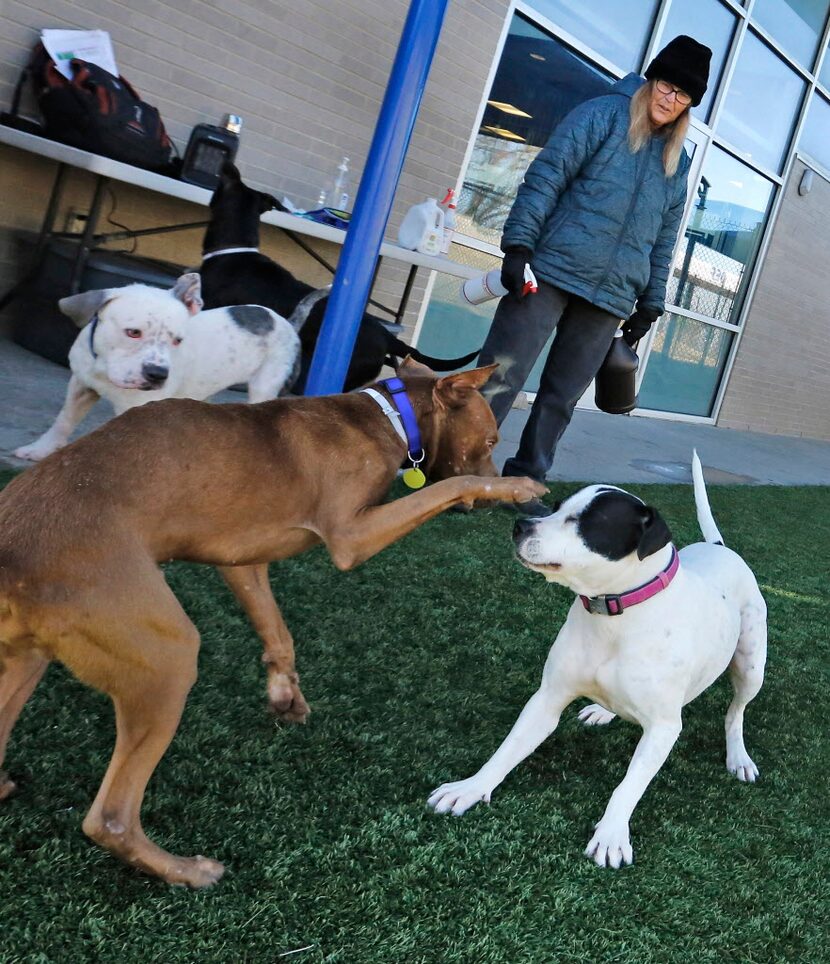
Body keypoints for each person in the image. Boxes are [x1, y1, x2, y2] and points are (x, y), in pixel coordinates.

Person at [479, 35, 712, 515]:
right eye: (667, 86)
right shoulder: (602, 115)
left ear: (690, 104)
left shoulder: (677, 160)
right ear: (652, 80)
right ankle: (461, 471)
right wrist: (519, 245)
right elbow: (547, 176)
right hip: (550, 272)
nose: (671, 99)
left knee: (561, 398)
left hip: (609, 297)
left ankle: (526, 482)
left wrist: (652, 301)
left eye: (683, 95)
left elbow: (665, 237)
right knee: (500, 375)